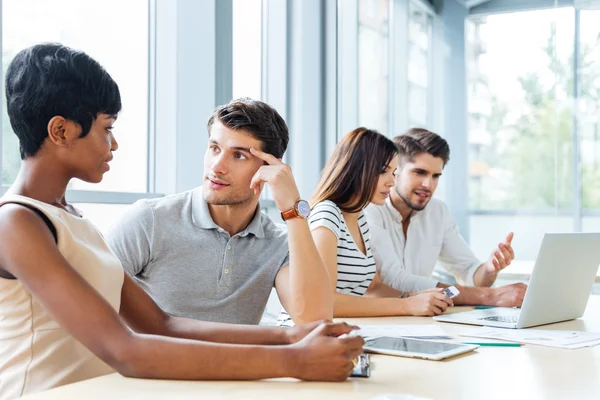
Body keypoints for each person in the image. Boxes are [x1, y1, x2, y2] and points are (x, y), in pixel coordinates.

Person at [0, 43, 363, 399]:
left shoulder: (74, 221)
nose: (114, 145)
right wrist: (292, 361)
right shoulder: (16, 223)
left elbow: (162, 325)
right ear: (61, 131)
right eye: (106, 128)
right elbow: (124, 349)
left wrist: (289, 338)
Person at [106, 97, 333, 326]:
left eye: (239, 155)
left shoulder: (279, 242)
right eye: (214, 148)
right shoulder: (149, 220)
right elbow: (91, 306)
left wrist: (293, 210)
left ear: (270, 168)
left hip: (239, 362)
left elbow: (313, 319)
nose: (217, 167)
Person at [278, 128, 454, 326]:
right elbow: (325, 302)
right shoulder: (327, 215)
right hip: (305, 339)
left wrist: (411, 296)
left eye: (394, 173)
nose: (392, 182)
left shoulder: (359, 217)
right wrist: (407, 306)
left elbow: (374, 287)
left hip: (340, 333)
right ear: (357, 169)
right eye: (383, 171)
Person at [364, 128, 527, 307]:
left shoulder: (437, 211)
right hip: (380, 318)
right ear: (396, 171)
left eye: (436, 176)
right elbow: (394, 281)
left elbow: (470, 274)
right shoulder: (370, 209)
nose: (428, 184)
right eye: (419, 172)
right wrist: (488, 296)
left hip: (420, 320)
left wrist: (489, 269)